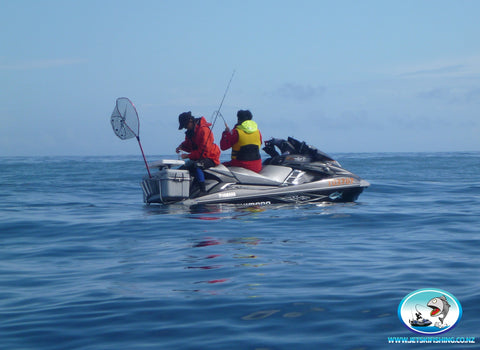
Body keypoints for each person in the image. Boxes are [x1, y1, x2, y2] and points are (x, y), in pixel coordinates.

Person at [176, 111, 221, 194]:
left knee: (197, 165)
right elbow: (190, 145)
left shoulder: (203, 130)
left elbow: (204, 153)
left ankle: (203, 191)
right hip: (200, 157)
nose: (185, 128)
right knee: (184, 167)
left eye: (185, 125)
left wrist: (188, 156)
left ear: (190, 121)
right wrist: (181, 146)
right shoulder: (190, 132)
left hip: (211, 157)